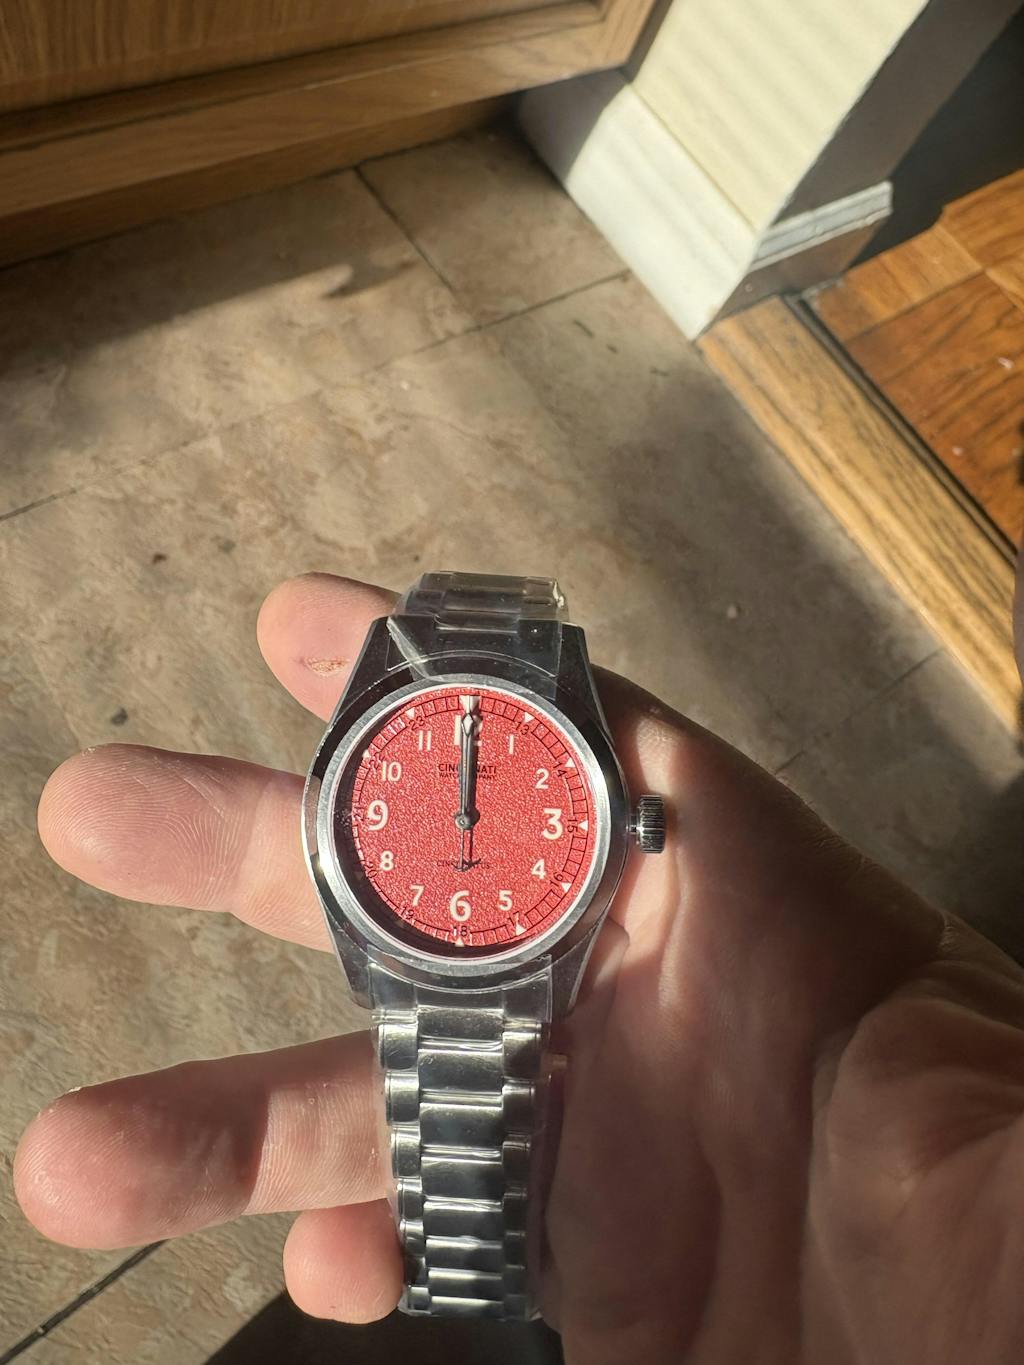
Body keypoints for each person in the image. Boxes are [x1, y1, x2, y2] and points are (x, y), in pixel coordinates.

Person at [15, 573, 1024, 1365]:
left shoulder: (595, 816)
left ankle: (481, 1302)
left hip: (526, 956)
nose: (462, 820)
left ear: (624, 826)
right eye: (455, 813)